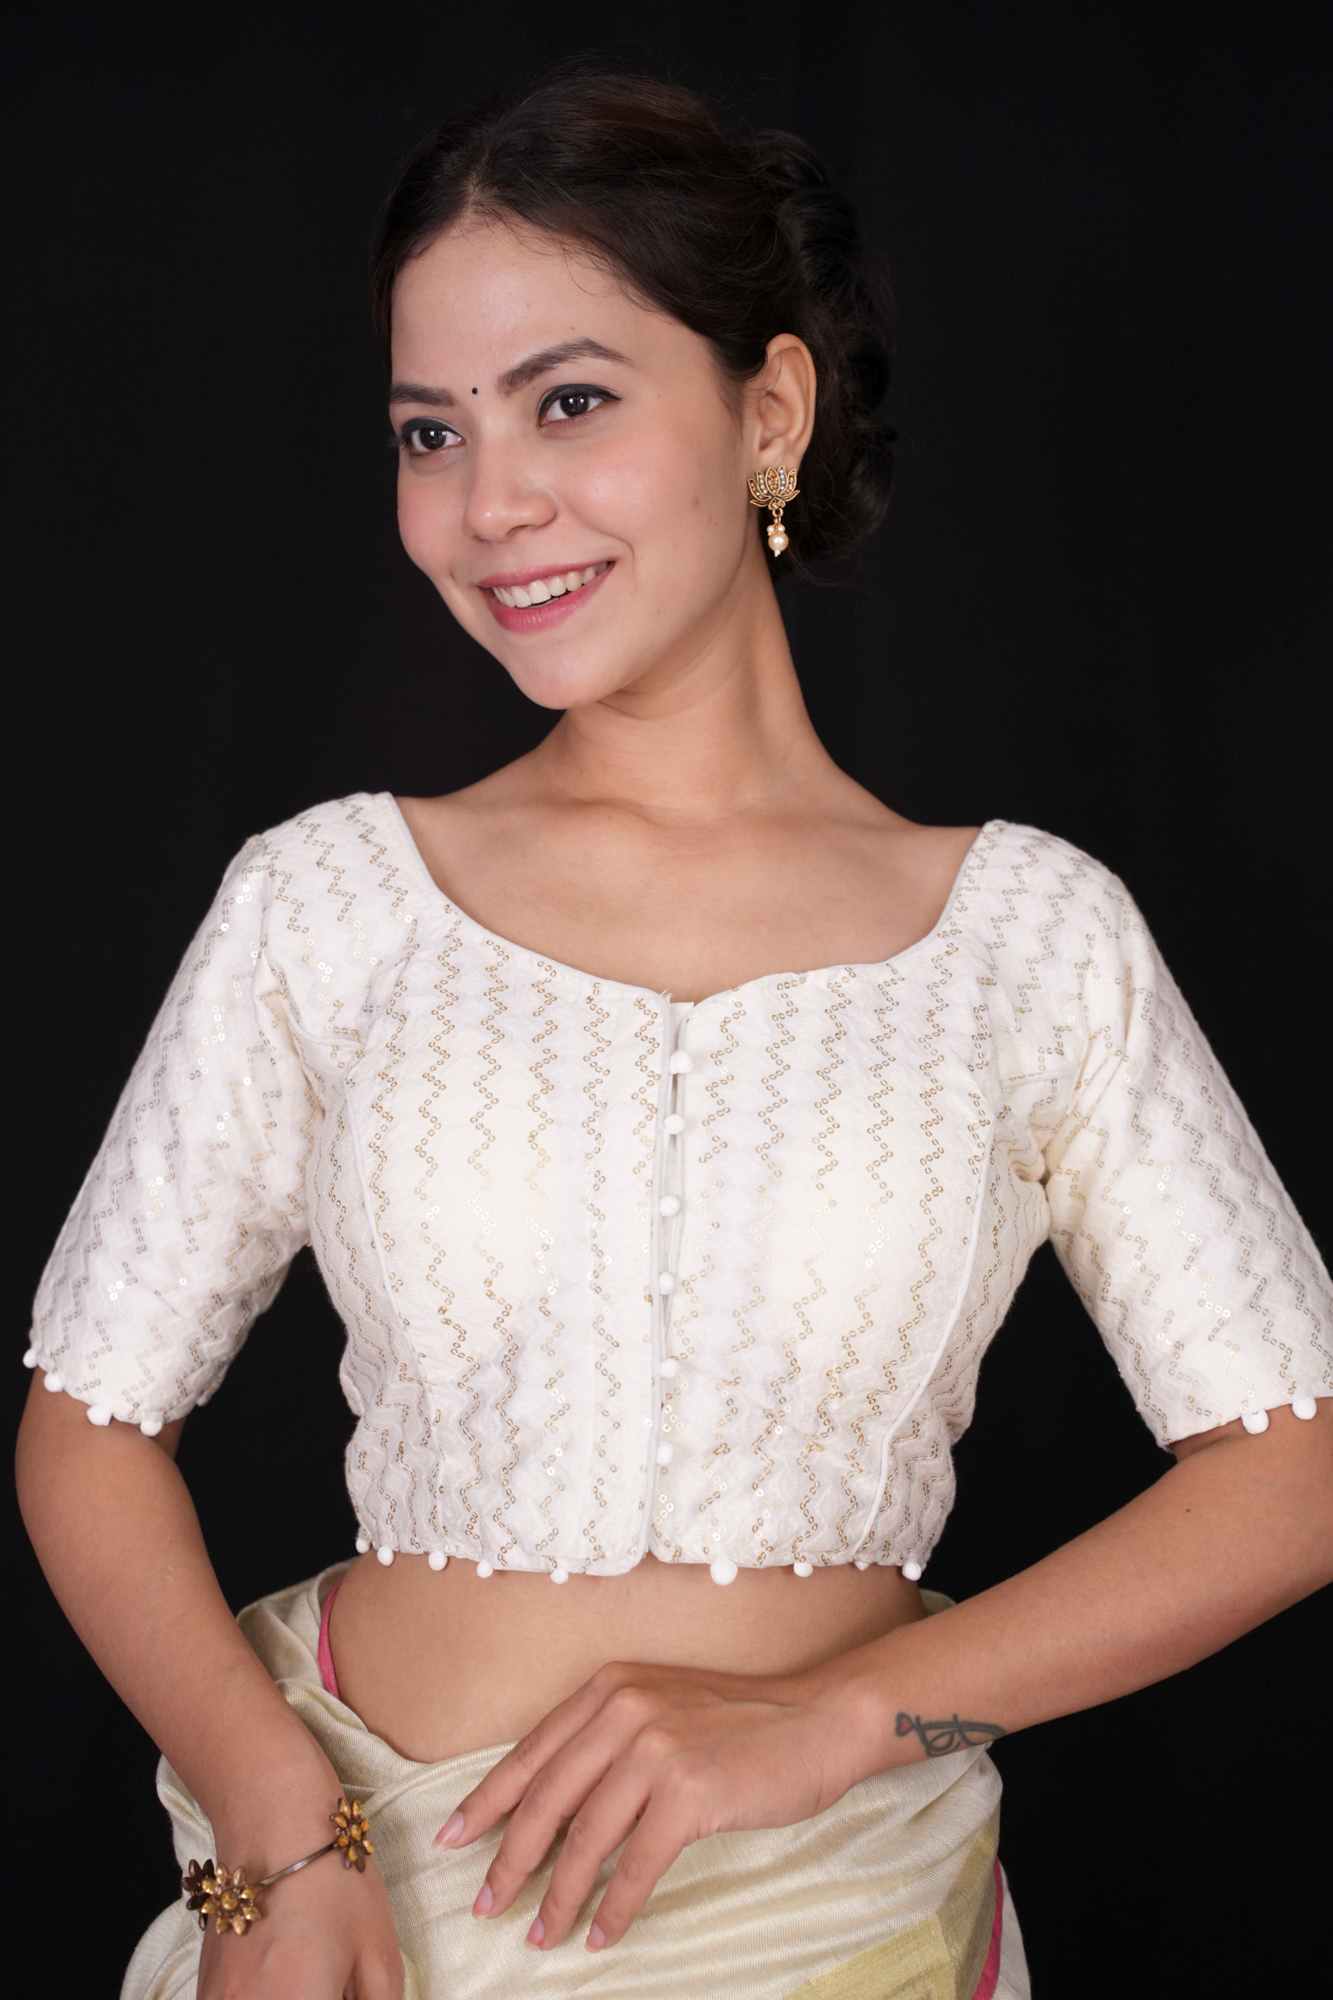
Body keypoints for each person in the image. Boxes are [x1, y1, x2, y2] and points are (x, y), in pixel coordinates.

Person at [16, 57, 1332, 2000]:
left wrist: (839, 1714)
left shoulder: (1024, 939)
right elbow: (88, 1430)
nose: (491, 504)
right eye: (431, 431)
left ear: (768, 410)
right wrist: (278, 1839)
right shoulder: (328, 904)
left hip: (835, 1921)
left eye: (569, 401)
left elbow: (1292, 1473)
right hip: (360, 1914)